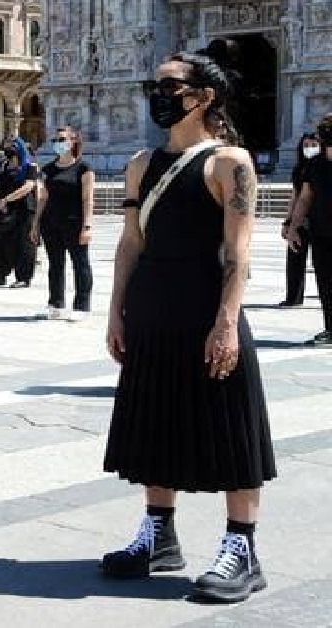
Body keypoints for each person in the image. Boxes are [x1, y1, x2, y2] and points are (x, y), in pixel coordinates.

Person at [102, 52, 274, 604]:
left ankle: (242, 547)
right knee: (155, 417)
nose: (159, 94)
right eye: (155, 85)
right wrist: (115, 310)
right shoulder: (139, 164)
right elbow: (131, 241)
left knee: (229, 424)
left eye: (170, 86)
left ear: (203, 95)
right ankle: (158, 535)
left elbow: (240, 251)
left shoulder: (230, 163)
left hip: (207, 306)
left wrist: (227, 321)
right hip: (153, 305)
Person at [30, 125, 95, 321]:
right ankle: (56, 303)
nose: (57, 144)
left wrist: (87, 226)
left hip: (75, 223)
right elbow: (43, 198)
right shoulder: (48, 169)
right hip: (51, 223)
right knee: (55, 264)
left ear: (73, 141)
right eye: (55, 140)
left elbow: (88, 199)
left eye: (61, 139)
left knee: (80, 264)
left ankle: (82, 306)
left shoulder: (84, 168)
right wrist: (35, 224)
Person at [287, 114, 332, 345]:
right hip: (321, 233)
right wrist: (293, 227)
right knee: (325, 282)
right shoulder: (315, 165)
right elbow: (304, 199)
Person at [0, 137, 38, 288]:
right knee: (0, 243)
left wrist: (7, 199)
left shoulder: (30, 166)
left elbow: (29, 186)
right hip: (4, 210)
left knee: (24, 244)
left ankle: (23, 277)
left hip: (24, 209)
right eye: (5, 147)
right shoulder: (5, 166)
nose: (7, 150)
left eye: (10, 147)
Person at [279, 133, 321, 307]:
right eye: (306, 145)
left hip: (321, 219)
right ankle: (293, 297)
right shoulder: (299, 169)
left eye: (313, 144)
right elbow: (295, 196)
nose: (309, 148)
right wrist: (288, 222)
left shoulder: (324, 167)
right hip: (301, 219)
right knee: (295, 257)